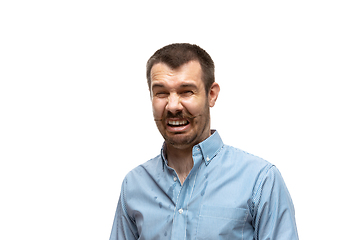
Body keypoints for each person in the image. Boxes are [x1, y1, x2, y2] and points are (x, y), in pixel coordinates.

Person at [109, 43, 298, 240]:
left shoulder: (260, 180)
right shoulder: (134, 185)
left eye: (186, 91)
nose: (173, 106)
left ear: (211, 94)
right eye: (161, 93)